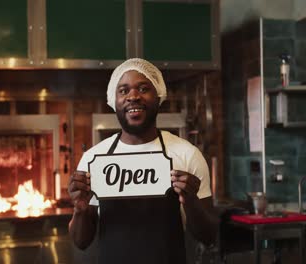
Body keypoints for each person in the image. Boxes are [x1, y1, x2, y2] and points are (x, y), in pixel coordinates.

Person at [68, 58, 218, 264]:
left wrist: (191, 202)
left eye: (143, 88)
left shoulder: (186, 154)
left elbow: (209, 236)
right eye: (123, 90)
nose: (133, 96)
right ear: (114, 101)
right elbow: (81, 242)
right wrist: (80, 209)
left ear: (158, 96)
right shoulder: (94, 159)